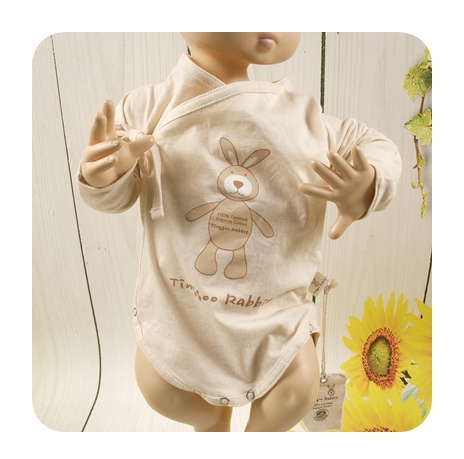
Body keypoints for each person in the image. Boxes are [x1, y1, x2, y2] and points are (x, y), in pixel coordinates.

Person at [77, 33, 401, 431]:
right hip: (181, 312)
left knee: (295, 391)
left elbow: (375, 144)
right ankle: (211, 425)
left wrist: (368, 183)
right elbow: (118, 196)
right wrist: (106, 175)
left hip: (274, 316)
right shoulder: (148, 107)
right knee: (161, 389)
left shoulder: (303, 119)